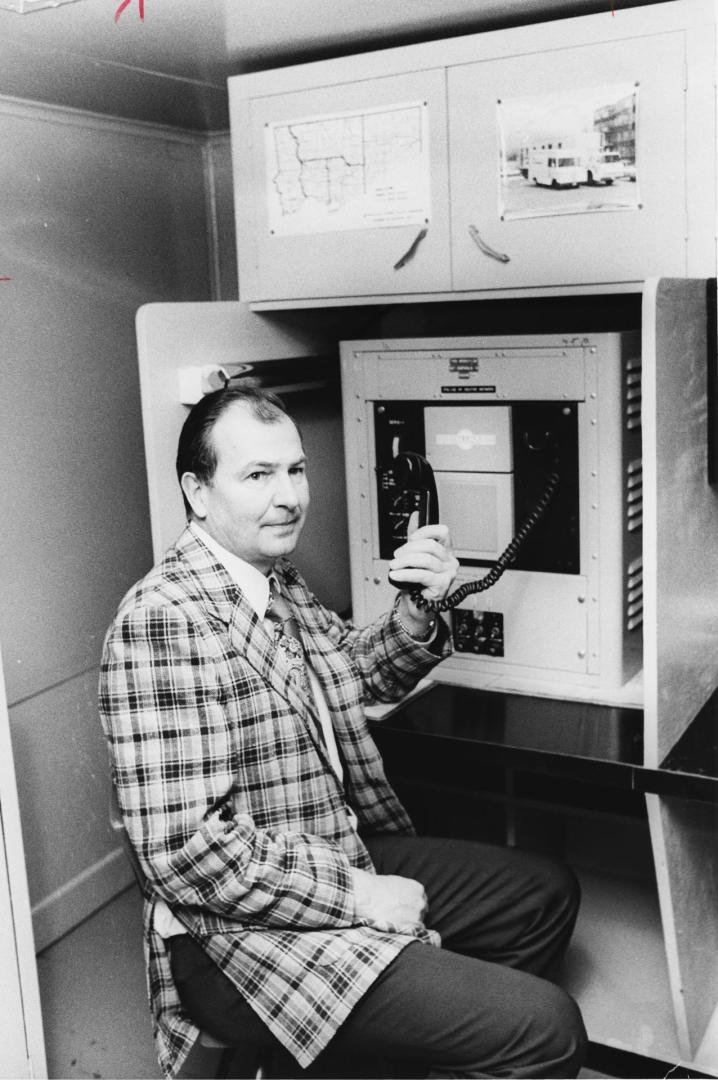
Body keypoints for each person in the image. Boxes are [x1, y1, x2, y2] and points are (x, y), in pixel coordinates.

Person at [99, 384, 587, 1079]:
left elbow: (354, 674)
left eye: (295, 469)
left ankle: (393, 1052)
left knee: (541, 894)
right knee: (549, 1029)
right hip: (236, 937)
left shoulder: (274, 581)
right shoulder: (164, 620)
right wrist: (361, 896)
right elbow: (186, 853)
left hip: (329, 855)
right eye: (258, 475)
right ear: (197, 492)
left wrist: (419, 607)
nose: (290, 495)